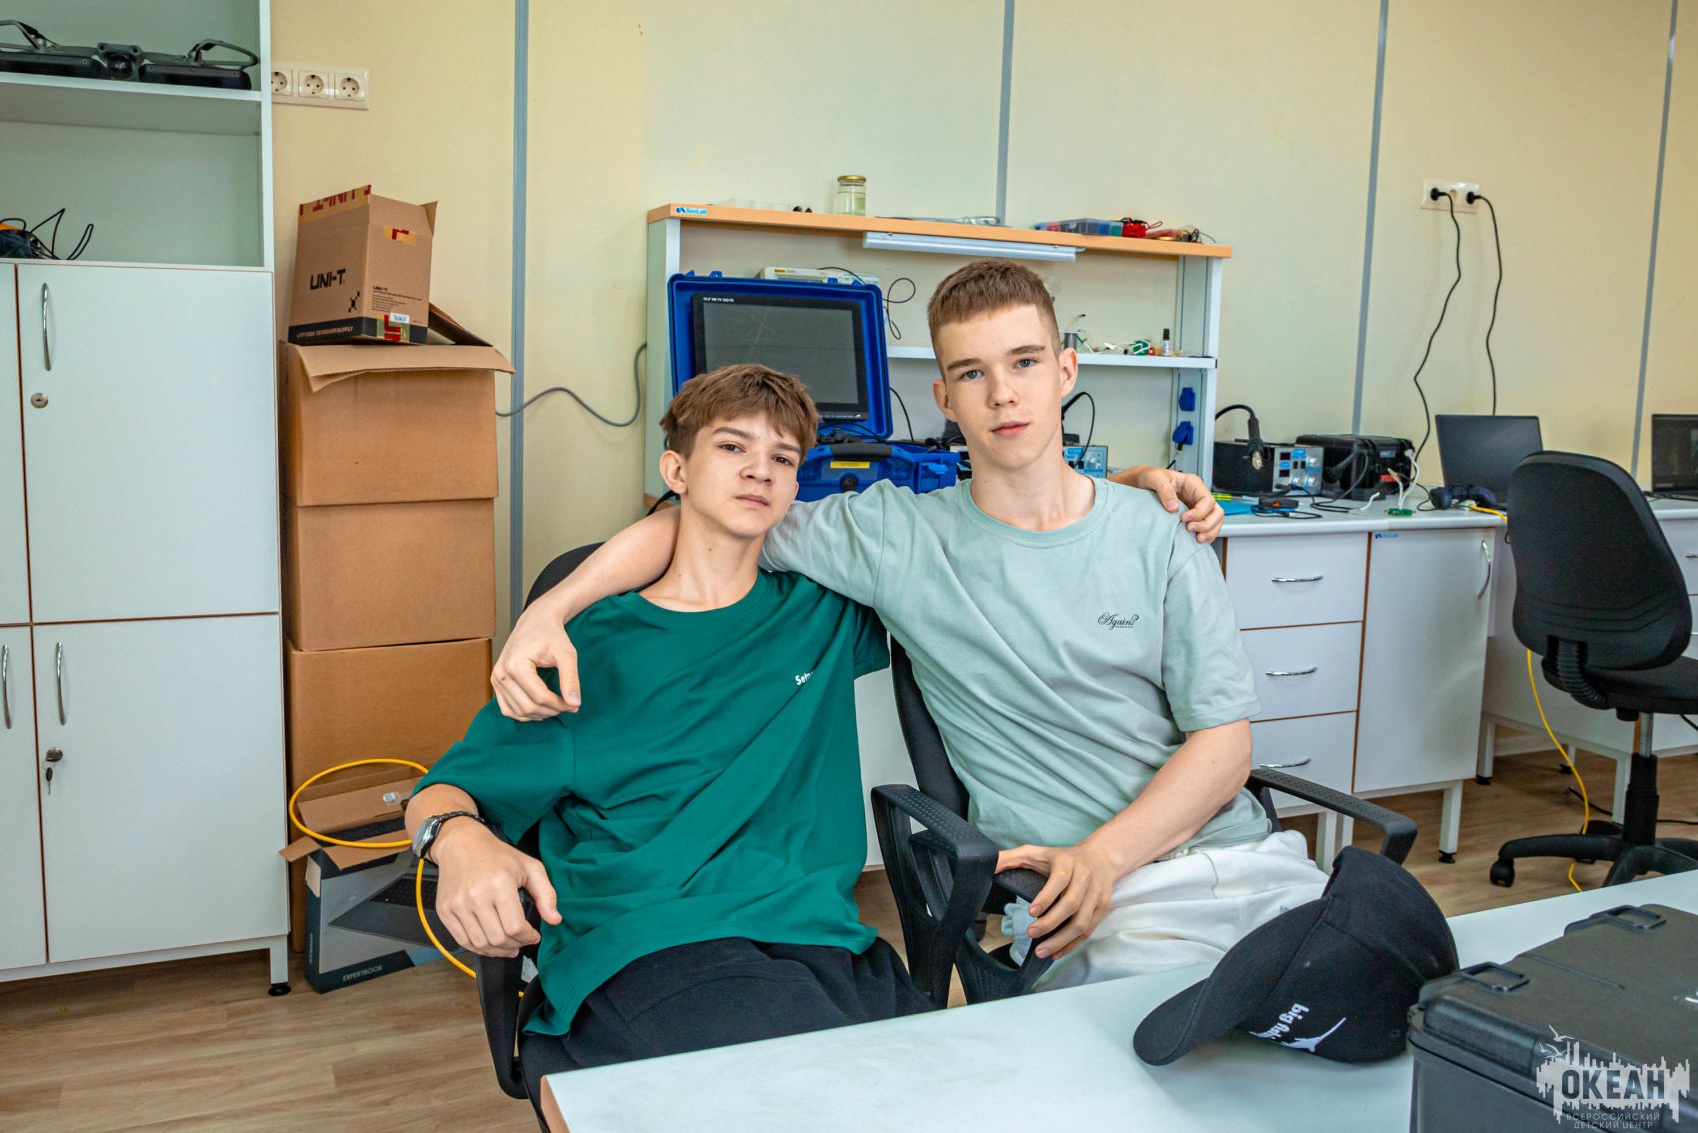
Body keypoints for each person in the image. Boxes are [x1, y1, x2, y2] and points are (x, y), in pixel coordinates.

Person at [492, 260, 1328, 989]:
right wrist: (549, 609)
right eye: (972, 373)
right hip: (1092, 903)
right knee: (1200, 1051)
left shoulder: (1161, 528)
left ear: (1065, 370)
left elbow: (1225, 743)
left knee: (1372, 1007)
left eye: (1025, 362)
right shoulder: (896, 535)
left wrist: (1135, 485)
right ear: (944, 398)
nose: (1003, 394)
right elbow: (702, 516)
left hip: (1244, 863)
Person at [405, 364, 932, 1101]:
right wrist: (458, 841)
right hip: (649, 940)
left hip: (823, 941)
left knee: (924, 1091)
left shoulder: (823, 612)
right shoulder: (587, 648)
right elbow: (441, 792)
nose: (760, 469)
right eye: (732, 447)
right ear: (676, 470)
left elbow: (981, 531)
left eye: (783, 457)